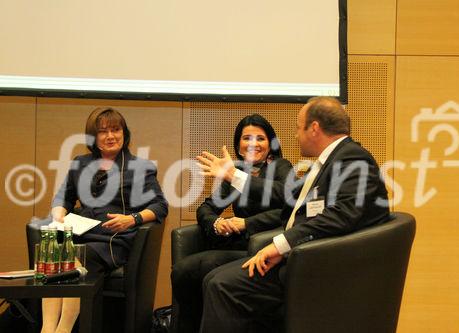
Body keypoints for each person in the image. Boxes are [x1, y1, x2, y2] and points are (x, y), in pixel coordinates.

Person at [197, 96, 390, 333]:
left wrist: (280, 245)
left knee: (221, 285)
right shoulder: (332, 160)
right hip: (308, 257)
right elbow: (285, 194)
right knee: (212, 278)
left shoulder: (352, 158)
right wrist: (233, 175)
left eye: (299, 128)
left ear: (315, 128)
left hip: (325, 268)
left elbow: (343, 215)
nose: (296, 135)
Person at [42, 107, 168, 333]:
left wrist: (132, 219)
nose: (111, 136)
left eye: (116, 130)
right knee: (55, 246)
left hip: (113, 239)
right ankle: (48, 328)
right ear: (93, 136)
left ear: (124, 132)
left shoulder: (140, 168)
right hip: (81, 232)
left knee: (80, 254)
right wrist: (58, 216)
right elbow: (64, 197)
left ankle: (63, 329)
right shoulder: (80, 163)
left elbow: (160, 206)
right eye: (103, 131)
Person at [170, 114, 293, 333]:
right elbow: (206, 208)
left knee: (194, 271)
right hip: (238, 246)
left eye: (260, 138)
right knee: (182, 271)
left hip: (266, 249)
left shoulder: (281, 166)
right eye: (247, 138)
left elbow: (288, 208)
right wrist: (216, 223)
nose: (253, 143)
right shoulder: (236, 172)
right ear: (238, 144)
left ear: (271, 143)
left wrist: (247, 223)